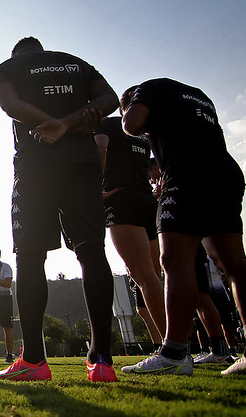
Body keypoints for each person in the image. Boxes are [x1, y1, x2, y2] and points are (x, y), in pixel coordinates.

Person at [121, 79, 246, 376]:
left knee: (174, 261)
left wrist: (128, 119)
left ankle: (174, 354)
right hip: (224, 173)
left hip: (185, 175)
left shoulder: (148, 89)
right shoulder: (199, 96)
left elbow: (132, 124)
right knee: (233, 263)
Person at [0, 37, 119, 382]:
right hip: (83, 163)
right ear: (42, 49)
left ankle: (33, 359)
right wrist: (71, 121)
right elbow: (110, 100)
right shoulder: (76, 62)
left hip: (37, 168)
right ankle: (102, 360)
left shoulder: (9, 68)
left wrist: (51, 123)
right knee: (92, 252)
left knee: (31, 256)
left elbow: (10, 104)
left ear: (18, 53)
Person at [94, 114, 166, 341]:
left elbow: (100, 148)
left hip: (122, 199)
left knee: (142, 275)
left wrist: (96, 186)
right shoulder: (143, 133)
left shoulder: (107, 124)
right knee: (154, 275)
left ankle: (172, 347)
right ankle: (173, 342)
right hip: (147, 200)